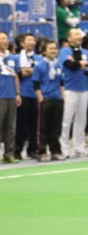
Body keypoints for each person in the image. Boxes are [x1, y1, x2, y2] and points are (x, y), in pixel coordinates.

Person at [58, 29, 88, 159]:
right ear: (69, 38)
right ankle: (64, 148)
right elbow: (68, 64)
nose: (79, 37)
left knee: (81, 120)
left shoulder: (85, 52)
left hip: (83, 88)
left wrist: (77, 63)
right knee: (66, 120)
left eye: (80, 35)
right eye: (76, 34)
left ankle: (79, 147)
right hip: (69, 88)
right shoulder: (65, 51)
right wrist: (79, 64)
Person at [33, 40, 63, 161]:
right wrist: (41, 98)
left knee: (56, 127)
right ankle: (42, 151)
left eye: (55, 48)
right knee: (43, 127)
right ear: (44, 51)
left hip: (57, 99)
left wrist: (62, 97)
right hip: (45, 98)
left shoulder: (58, 65)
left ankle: (55, 151)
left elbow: (61, 82)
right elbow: (36, 83)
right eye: (50, 49)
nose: (53, 51)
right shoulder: (39, 66)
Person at [15, 34, 41, 160]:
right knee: (20, 124)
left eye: (34, 40)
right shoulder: (16, 58)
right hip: (22, 94)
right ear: (22, 43)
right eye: (29, 40)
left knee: (34, 124)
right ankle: (17, 150)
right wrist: (26, 70)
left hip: (35, 94)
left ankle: (33, 149)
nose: (33, 42)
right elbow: (17, 73)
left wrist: (28, 70)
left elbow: (39, 72)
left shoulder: (39, 58)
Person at [0, 32, 21, 163]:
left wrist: (18, 93)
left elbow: (16, 76)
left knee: (10, 126)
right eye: (2, 39)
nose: (5, 41)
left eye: (6, 38)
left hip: (11, 95)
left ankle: (9, 153)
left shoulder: (13, 58)